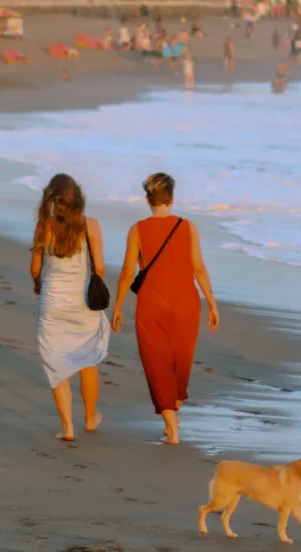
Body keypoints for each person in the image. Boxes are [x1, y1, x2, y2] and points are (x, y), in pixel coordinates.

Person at [111, 173, 220, 445]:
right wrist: (212, 303)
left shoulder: (137, 230)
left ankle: (172, 426)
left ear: (148, 200)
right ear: (172, 198)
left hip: (152, 305)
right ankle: (173, 417)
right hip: (186, 304)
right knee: (179, 364)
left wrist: (118, 305)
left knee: (156, 363)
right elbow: (199, 267)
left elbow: (127, 272)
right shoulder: (188, 227)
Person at [30, 174, 109, 441]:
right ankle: (89, 418)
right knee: (87, 360)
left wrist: (37, 283)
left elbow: (35, 268)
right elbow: (99, 268)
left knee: (56, 363)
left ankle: (67, 427)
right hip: (81, 303)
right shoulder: (91, 226)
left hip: (52, 302)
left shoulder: (44, 226)